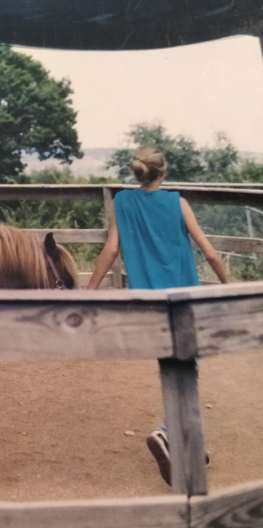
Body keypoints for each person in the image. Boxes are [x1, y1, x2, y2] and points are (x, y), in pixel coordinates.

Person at [86, 146, 229, 485]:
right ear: (163, 173)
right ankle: (166, 433)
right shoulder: (177, 203)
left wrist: (88, 293)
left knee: (173, 369)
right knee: (188, 370)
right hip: (184, 301)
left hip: (148, 305)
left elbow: (110, 250)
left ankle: (192, 447)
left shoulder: (122, 202)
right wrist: (228, 286)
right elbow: (209, 253)